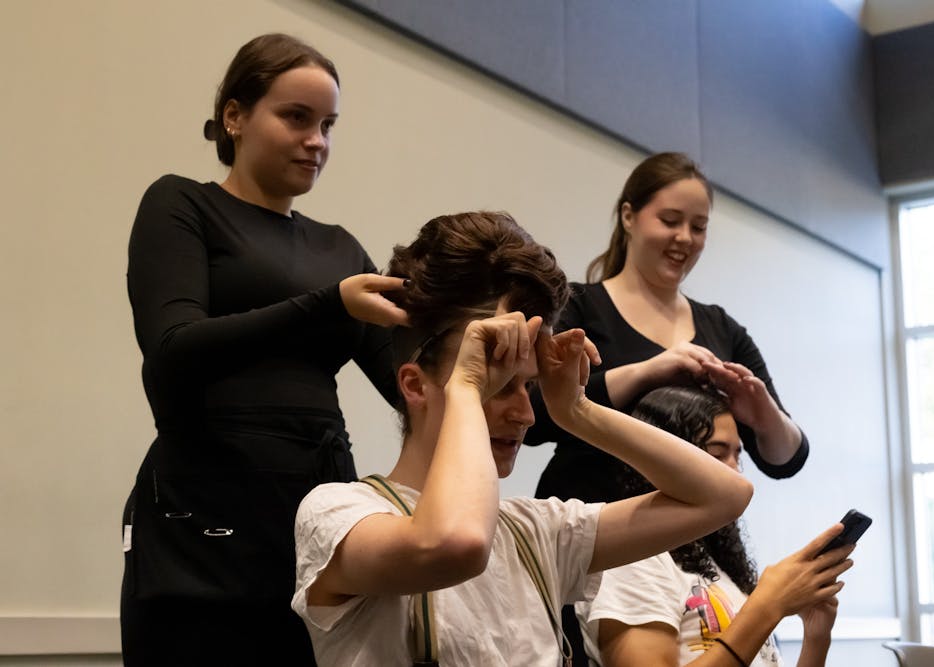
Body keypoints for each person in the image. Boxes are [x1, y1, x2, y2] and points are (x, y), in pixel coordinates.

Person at [291, 211, 754, 666]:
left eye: (528, 387)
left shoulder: (536, 533)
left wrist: (578, 411)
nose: (525, 414)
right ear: (414, 386)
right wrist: (467, 385)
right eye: (498, 386)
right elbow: (456, 543)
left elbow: (723, 496)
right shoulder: (338, 514)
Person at [120, 33, 408, 666]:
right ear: (235, 116)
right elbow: (171, 349)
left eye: (328, 124)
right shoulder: (183, 205)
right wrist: (327, 304)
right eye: (296, 117)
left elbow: (413, 385)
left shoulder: (339, 248)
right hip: (203, 520)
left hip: (314, 521)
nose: (318, 142)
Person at [527, 152, 808, 507]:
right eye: (670, 221)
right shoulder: (579, 305)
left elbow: (786, 460)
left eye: (699, 227)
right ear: (628, 216)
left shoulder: (723, 329)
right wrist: (648, 372)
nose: (685, 238)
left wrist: (763, 411)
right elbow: (532, 414)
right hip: (588, 520)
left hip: (689, 537)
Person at [577, 386, 851, 667]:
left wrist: (816, 638)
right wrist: (768, 605)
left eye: (737, 456)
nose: (736, 473)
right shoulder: (631, 559)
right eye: (718, 455)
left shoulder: (720, 572)